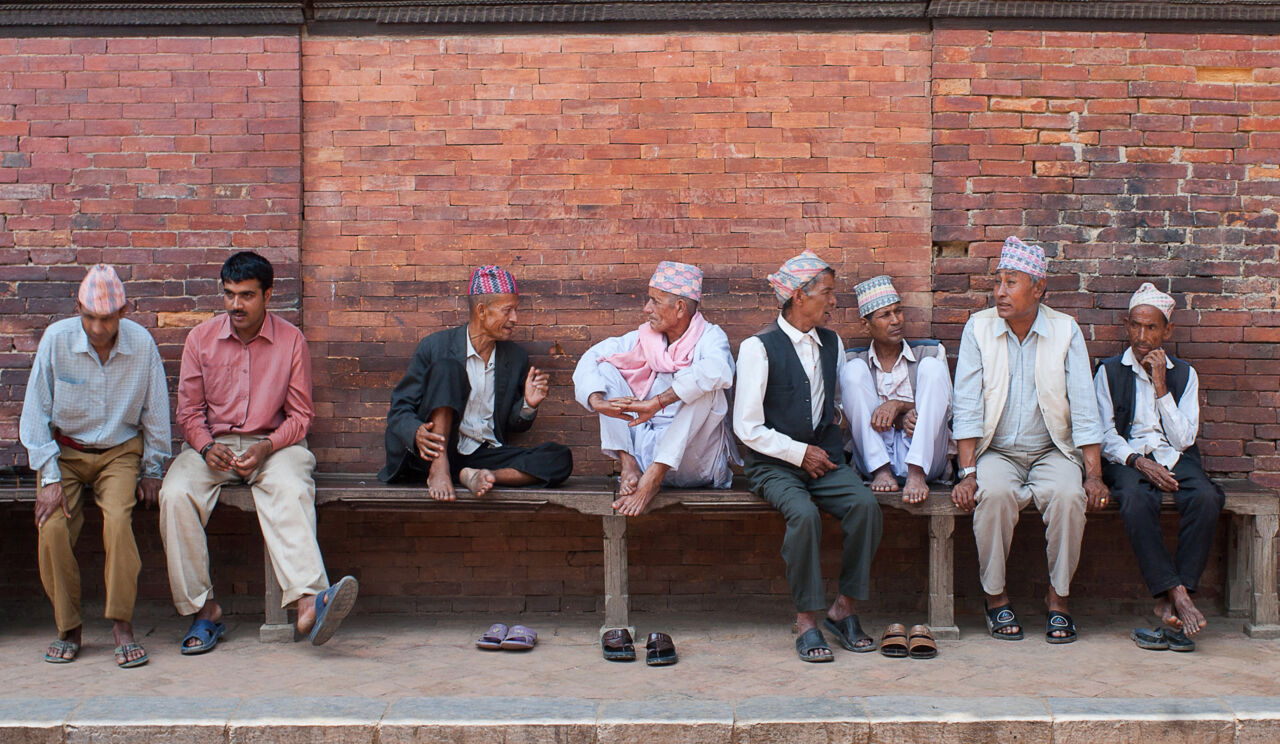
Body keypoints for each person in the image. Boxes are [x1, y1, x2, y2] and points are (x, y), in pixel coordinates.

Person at [160, 251, 358, 653]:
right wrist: (204, 445)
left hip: (275, 443)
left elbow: (301, 416)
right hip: (213, 448)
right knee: (174, 494)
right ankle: (205, 611)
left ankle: (308, 600)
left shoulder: (291, 341)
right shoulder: (200, 339)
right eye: (230, 294)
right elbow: (188, 412)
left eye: (247, 295)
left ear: (268, 295)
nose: (236, 305)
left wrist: (267, 446)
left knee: (290, 485)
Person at [950, 236, 1109, 644]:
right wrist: (967, 473)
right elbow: (966, 406)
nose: (1000, 292)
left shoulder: (1065, 330)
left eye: (1011, 282)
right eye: (998, 282)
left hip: (1052, 450)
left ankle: (1058, 600)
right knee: (994, 496)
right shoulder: (979, 328)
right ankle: (996, 598)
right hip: (996, 451)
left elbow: (1085, 408)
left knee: (1069, 497)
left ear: (1038, 288)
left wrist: (1093, 474)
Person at [733, 251, 883, 663]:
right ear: (800, 295)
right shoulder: (757, 348)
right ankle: (806, 621)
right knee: (803, 516)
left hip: (824, 457)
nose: (835, 302)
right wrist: (799, 453)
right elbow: (746, 427)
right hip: (774, 463)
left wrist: (829, 423)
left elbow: (825, 400)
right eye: (828, 293)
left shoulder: (831, 342)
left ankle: (844, 610)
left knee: (865, 506)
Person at [20, 265, 170, 668]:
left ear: (124, 311)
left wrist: (153, 468)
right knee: (51, 525)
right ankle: (69, 627)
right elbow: (35, 415)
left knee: (119, 522)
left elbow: (156, 411)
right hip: (63, 450)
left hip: (120, 451)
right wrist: (49, 477)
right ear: (78, 309)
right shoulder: (57, 339)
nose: (97, 327)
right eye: (89, 317)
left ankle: (122, 622)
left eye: (106, 318)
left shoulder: (142, 344)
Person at [1094, 283, 1223, 652]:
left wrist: (1162, 386)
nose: (1142, 336)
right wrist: (1138, 462)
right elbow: (1104, 434)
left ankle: (1168, 599)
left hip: (1175, 458)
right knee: (1135, 500)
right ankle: (1180, 594)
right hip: (1128, 459)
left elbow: (1184, 440)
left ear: (1167, 331)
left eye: (1152, 328)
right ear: (1126, 325)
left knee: (1206, 499)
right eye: (1136, 326)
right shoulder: (1108, 371)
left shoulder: (1184, 374)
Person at [380, 265, 572, 499]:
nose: (515, 318)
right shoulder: (435, 347)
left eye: (515, 310)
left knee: (559, 459)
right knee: (447, 368)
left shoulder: (515, 357)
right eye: (508, 310)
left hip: (482, 452)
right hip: (430, 454)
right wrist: (416, 432)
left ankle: (478, 475)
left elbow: (513, 425)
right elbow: (399, 410)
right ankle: (440, 469)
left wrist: (528, 405)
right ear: (482, 310)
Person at [573, 261, 739, 516]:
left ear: (680, 307)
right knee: (605, 369)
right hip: (644, 453)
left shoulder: (711, 337)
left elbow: (717, 370)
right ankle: (628, 465)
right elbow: (591, 357)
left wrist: (658, 402)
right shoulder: (644, 338)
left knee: (709, 387)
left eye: (654, 301)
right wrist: (597, 401)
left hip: (693, 461)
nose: (646, 309)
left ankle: (654, 476)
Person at [840, 275, 953, 504]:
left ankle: (916, 472)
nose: (896, 320)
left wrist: (900, 405)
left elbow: (947, 411)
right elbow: (846, 418)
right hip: (873, 457)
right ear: (866, 324)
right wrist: (899, 418)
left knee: (932, 368)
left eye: (898, 311)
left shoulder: (930, 353)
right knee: (853, 371)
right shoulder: (853, 360)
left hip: (928, 457)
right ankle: (881, 470)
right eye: (885, 315)